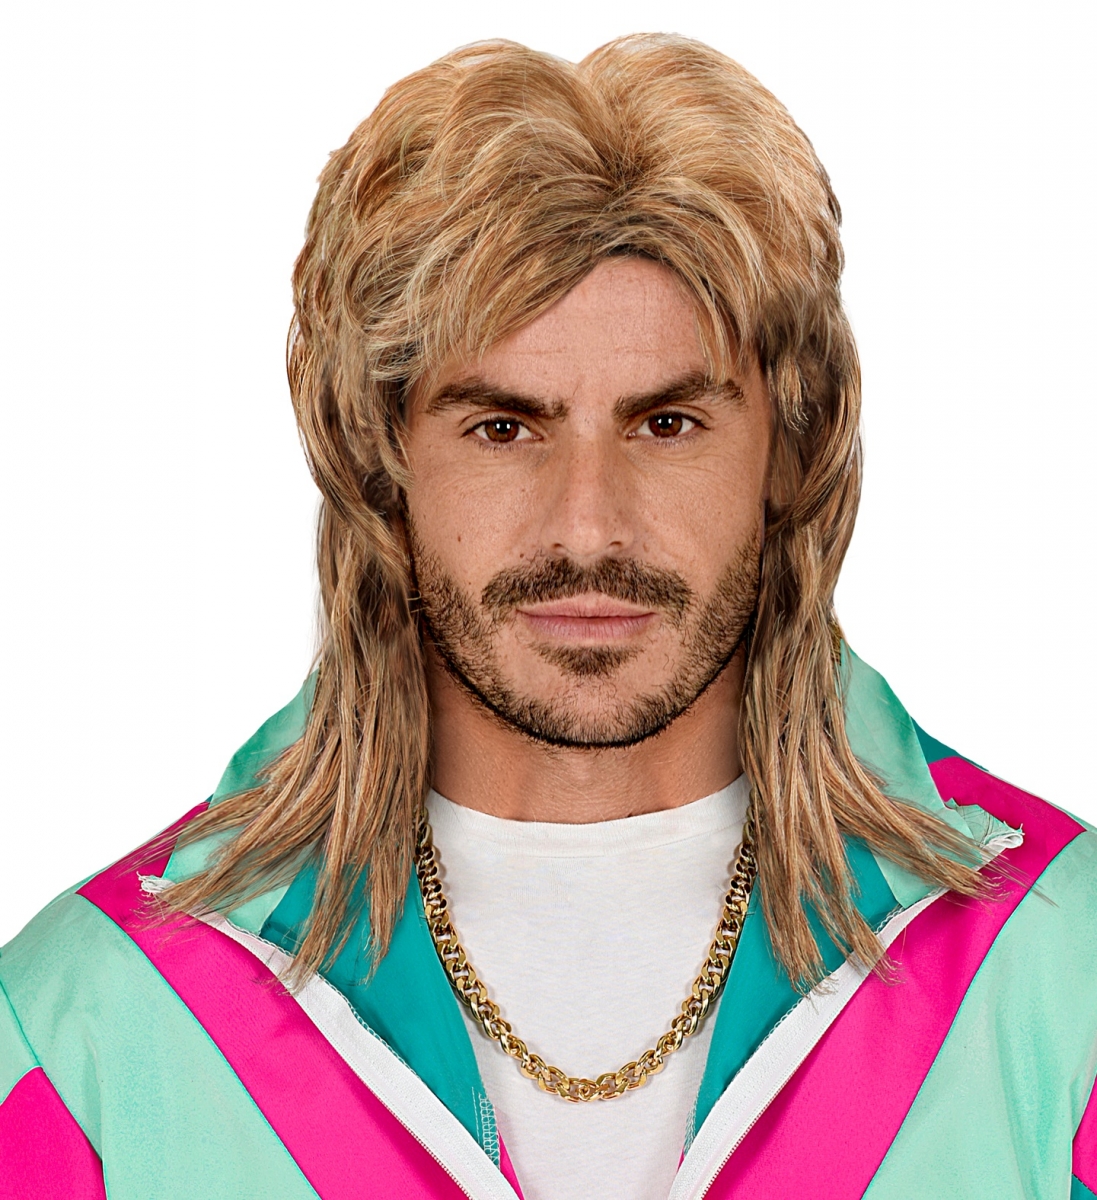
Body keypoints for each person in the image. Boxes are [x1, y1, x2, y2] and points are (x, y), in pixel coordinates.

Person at [1, 32, 1095, 1200]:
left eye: (665, 425)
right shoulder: (93, 1031)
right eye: (502, 427)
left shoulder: (1055, 973)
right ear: (379, 462)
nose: (586, 526)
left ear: (787, 449)